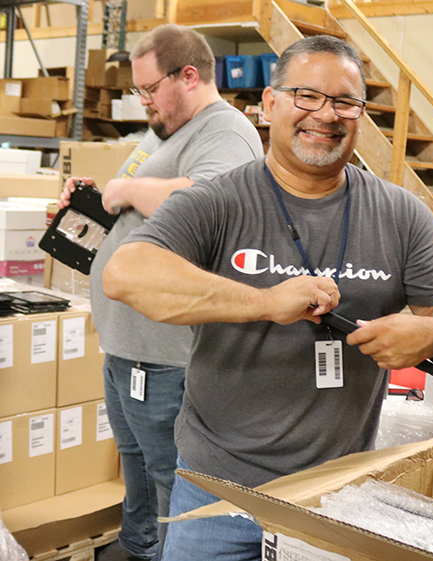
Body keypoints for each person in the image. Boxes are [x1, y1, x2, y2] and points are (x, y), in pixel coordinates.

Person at [102, 35, 433, 560]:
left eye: (344, 101)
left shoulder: (401, 214)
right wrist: (263, 301)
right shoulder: (220, 199)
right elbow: (126, 275)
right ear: (270, 104)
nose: (326, 115)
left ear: (360, 116)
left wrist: (431, 334)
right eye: (307, 96)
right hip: (217, 489)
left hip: (338, 494)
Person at [57, 24, 264, 561]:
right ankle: (139, 548)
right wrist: (97, 199)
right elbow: (133, 204)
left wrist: (127, 189)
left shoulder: (226, 131)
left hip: (165, 357)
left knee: (170, 477)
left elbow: (209, 199)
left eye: (149, 89)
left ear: (188, 75)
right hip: (127, 347)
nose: (143, 101)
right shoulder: (167, 128)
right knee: (137, 466)